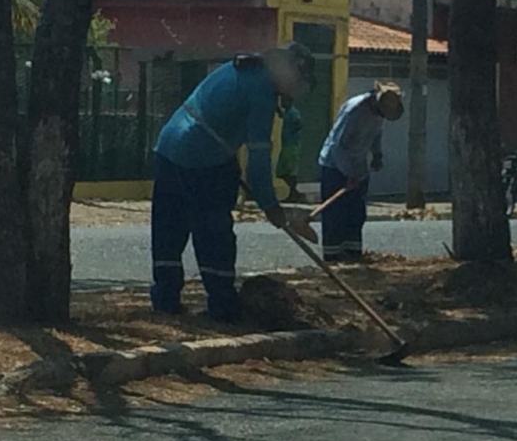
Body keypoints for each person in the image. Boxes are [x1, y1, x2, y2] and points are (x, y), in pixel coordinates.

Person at [150, 42, 315, 322]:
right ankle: (222, 306)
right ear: (289, 72)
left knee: (169, 228)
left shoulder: (241, 68)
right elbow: (259, 158)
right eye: (300, 81)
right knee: (214, 233)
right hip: (201, 159)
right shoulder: (261, 92)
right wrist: (270, 206)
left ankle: (165, 301)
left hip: (168, 148)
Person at [318, 81, 404, 262]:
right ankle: (332, 255)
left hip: (358, 166)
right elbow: (337, 145)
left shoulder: (379, 113)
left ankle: (352, 253)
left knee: (356, 213)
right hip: (335, 166)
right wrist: (348, 173)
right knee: (335, 213)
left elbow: (376, 133)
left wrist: (377, 155)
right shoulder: (354, 110)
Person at [276, 95, 304, 203]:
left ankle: (294, 193)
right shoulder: (287, 112)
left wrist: (293, 130)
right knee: (281, 171)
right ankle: (293, 192)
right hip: (286, 144)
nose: (282, 102)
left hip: (291, 145)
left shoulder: (293, 112)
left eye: (284, 100)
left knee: (289, 170)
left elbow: (299, 123)